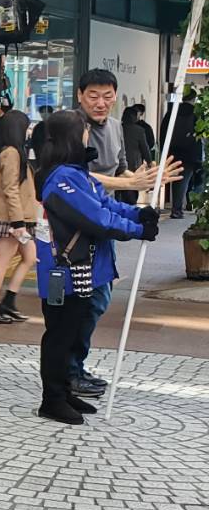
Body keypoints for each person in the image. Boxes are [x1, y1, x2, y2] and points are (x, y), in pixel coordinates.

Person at [35, 110, 156, 425]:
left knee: (73, 330)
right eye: (84, 130)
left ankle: (64, 390)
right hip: (63, 269)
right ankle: (52, 399)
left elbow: (107, 205)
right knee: (60, 335)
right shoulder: (61, 178)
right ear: (73, 137)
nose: (89, 134)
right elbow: (96, 219)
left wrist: (138, 214)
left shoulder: (78, 174)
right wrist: (137, 230)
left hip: (81, 268)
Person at [71, 69, 180, 398]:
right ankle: (68, 372)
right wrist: (130, 184)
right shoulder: (72, 127)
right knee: (78, 301)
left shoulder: (117, 127)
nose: (101, 102)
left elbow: (119, 169)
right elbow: (78, 176)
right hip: (75, 222)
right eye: (93, 95)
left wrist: (145, 180)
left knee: (99, 297)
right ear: (80, 95)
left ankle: (75, 366)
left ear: (116, 97)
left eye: (107, 96)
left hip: (104, 218)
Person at [0, 110, 38, 325]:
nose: (28, 131)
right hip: (11, 219)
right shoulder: (11, 153)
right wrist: (18, 223)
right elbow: (10, 189)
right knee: (2, 263)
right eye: (26, 127)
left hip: (18, 217)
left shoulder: (11, 152)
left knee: (30, 257)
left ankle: (8, 302)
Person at [161, 87, 204, 219]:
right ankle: (190, 206)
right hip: (190, 153)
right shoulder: (196, 113)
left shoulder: (171, 112)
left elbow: (163, 132)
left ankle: (177, 207)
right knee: (192, 180)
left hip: (173, 152)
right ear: (193, 99)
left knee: (177, 180)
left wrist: (165, 151)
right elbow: (201, 134)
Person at [118, 105, 155, 205]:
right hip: (133, 164)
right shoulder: (139, 130)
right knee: (132, 189)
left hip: (117, 163)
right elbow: (145, 148)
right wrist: (150, 162)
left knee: (117, 188)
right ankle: (131, 208)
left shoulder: (117, 128)